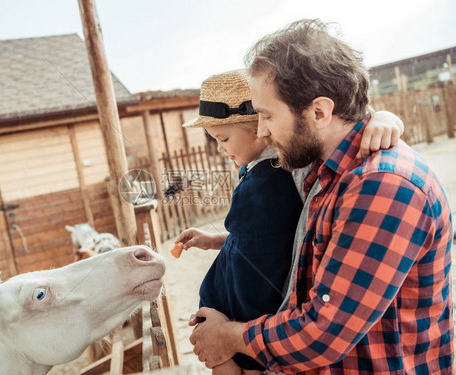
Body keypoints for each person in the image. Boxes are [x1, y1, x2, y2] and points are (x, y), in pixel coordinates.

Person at [188, 19, 453, 375]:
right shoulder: (322, 173)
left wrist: (229, 338)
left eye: (267, 115)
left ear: (318, 112)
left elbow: (322, 333)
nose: (262, 131)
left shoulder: (381, 186)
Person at [177, 69, 406, 374]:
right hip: (237, 300)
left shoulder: (286, 166)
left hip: (247, 304)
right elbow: (259, 238)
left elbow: (265, 251)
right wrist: (215, 240)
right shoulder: (265, 166)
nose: (220, 149)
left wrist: (385, 118)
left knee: (228, 361)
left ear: (259, 125)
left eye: (223, 138)